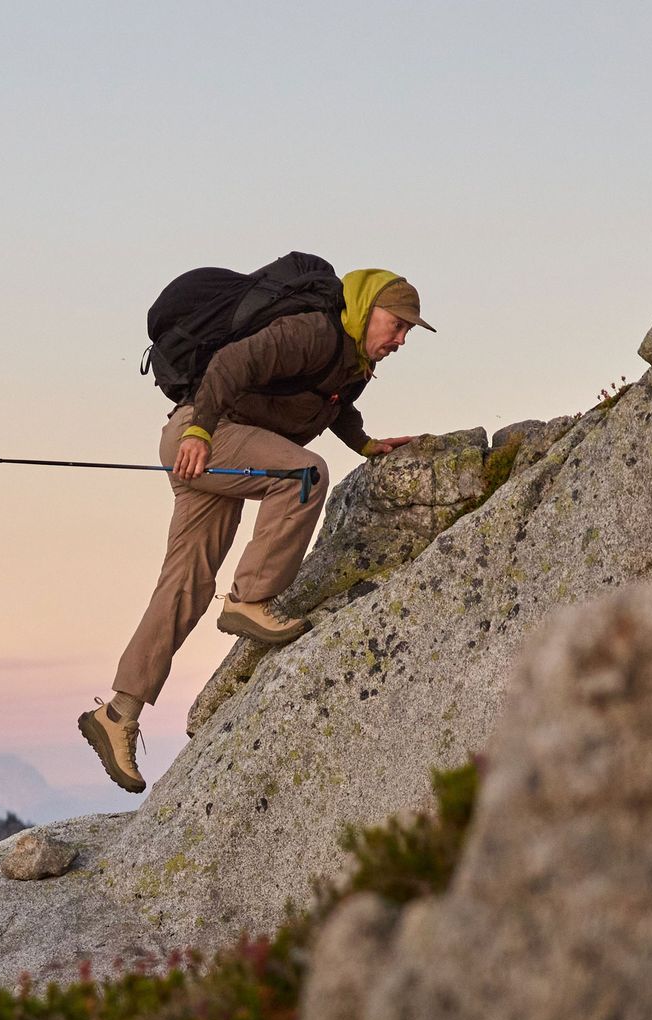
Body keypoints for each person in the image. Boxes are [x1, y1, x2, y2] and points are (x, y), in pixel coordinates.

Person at [79, 268, 435, 793]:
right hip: (204, 436)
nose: (401, 340)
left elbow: (331, 405)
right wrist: (199, 432)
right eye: (397, 324)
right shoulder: (313, 332)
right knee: (304, 474)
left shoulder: (351, 361)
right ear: (367, 309)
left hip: (219, 443)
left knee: (185, 584)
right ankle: (251, 598)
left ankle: (118, 713)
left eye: (408, 331)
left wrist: (364, 444)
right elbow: (230, 362)